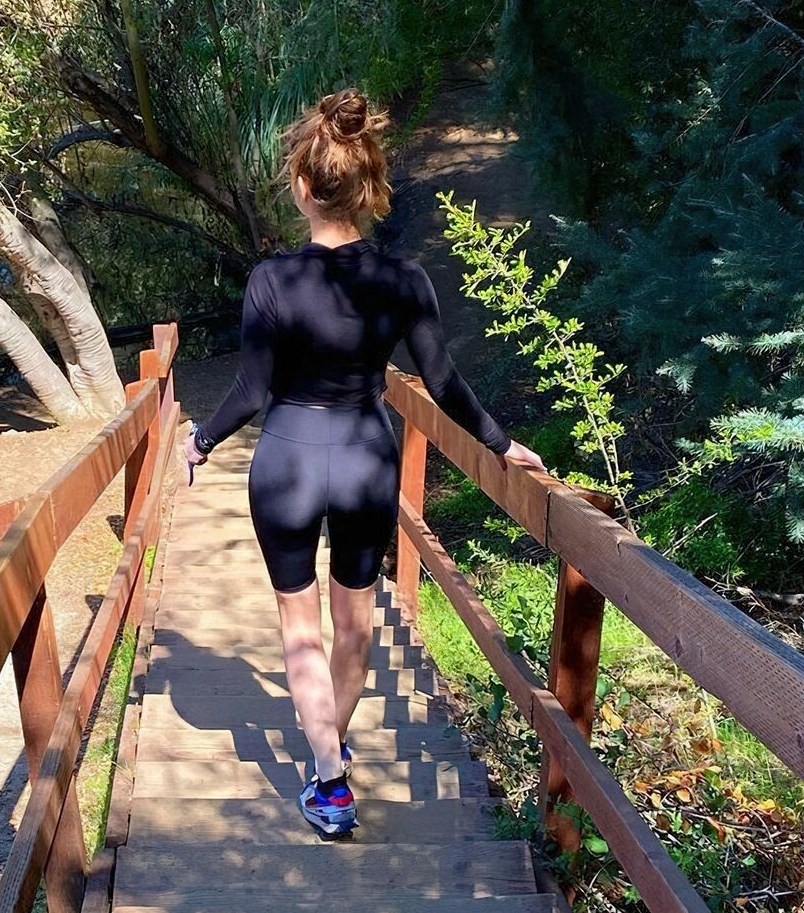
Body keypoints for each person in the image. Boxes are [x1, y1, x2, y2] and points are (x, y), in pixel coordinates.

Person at [182, 88, 545, 839]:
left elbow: (249, 392)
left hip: (286, 461)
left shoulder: (271, 280)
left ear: (301, 185)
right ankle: (331, 754)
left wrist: (200, 441)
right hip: (365, 460)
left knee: (299, 627)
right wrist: (501, 443)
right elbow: (442, 381)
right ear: (369, 184)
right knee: (354, 625)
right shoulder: (404, 280)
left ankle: (329, 777)